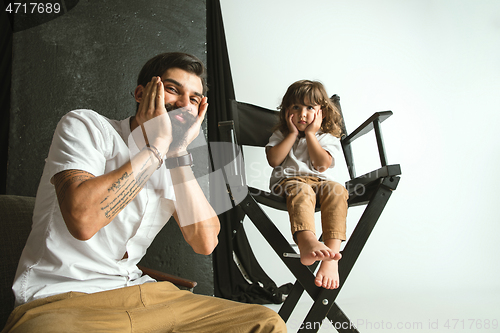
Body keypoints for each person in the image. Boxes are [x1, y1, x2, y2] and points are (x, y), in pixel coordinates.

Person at [2, 52, 286, 332]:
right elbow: (83, 220)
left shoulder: (179, 161)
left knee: (266, 323)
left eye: (195, 98)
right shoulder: (87, 126)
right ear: (141, 93)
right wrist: (155, 148)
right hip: (62, 298)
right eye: (173, 90)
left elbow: (205, 242)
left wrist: (175, 154)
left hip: (142, 293)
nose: (185, 104)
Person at [266, 80, 348, 290]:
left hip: (320, 183)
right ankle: (306, 241)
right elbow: (274, 160)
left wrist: (311, 134)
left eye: (310, 107)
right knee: (301, 189)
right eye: (296, 107)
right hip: (289, 183)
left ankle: (331, 260)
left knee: (337, 189)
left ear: (322, 112)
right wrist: (293, 134)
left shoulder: (327, 138)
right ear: (286, 111)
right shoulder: (281, 136)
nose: (302, 114)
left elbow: (321, 166)